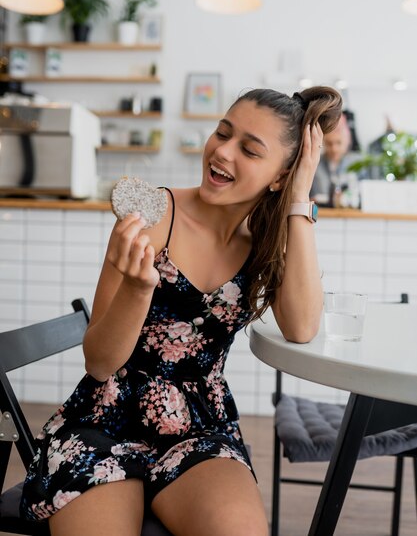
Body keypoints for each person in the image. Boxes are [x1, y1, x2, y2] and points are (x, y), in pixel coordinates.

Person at [21, 86, 342, 536]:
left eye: (250, 149)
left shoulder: (267, 244)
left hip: (201, 427)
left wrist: (299, 197)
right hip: (104, 421)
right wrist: (137, 288)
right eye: (222, 133)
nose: (222, 152)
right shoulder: (152, 217)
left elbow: (303, 327)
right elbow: (99, 362)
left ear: (279, 175)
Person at [310, 111, 362, 206]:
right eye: (330, 143)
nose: (334, 149)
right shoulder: (315, 163)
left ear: (347, 142)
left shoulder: (358, 163)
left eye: (338, 143)